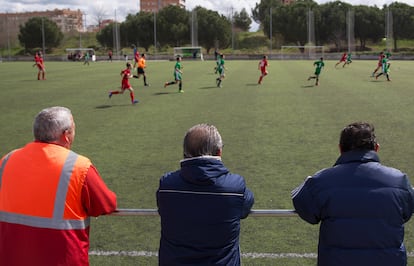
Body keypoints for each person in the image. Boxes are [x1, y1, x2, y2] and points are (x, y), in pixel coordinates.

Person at [0, 106, 117, 266]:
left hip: (11, 258)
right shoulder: (78, 166)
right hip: (61, 259)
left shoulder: (7, 160)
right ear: (66, 135)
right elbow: (106, 205)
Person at [291, 122, 414, 266]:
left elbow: (304, 207)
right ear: (376, 148)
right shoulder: (399, 180)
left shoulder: (322, 180)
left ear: (340, 149)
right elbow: (407, 211)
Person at [157, 123, 255, 265]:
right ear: (219, 152)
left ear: (184, 152)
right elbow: (246, 205)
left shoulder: (166, 185)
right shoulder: (235, 186)